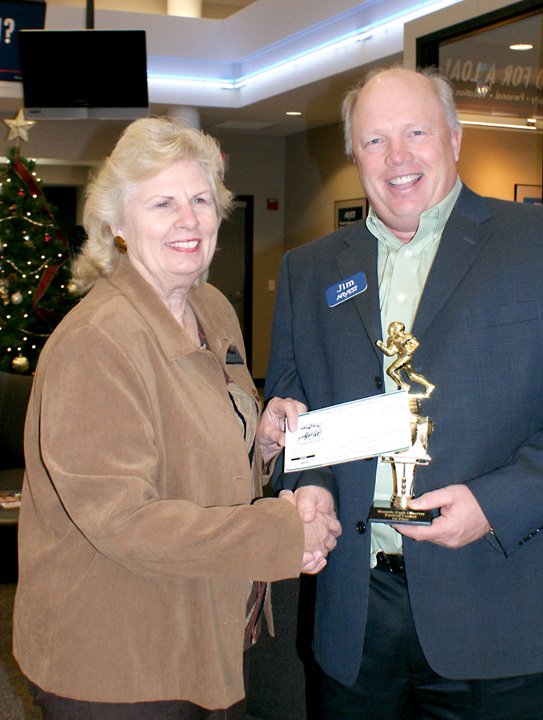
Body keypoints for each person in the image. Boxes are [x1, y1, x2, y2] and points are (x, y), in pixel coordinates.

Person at [264, 65, 543, 719]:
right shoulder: (309, 270)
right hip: (356, 608)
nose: (397, 158)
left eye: (415, 132)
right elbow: (293, 396)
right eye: (374, 140)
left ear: (454, 136)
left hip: (501, 594)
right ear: (354, 155)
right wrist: (303, 481)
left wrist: (493, 503)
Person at [12, 116, 341, 720]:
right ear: (116, 224)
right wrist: (279, 536)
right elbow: (124, 520)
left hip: (203, 629)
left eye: (200, 199)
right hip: (117, 656)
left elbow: (200, 443)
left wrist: (262, 440)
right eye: (162, 202)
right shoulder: (97, 343)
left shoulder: (211, 308)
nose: (189, 220)